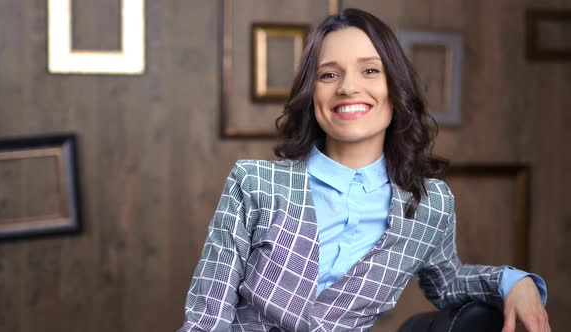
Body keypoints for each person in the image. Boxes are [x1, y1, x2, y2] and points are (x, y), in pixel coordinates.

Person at [179, 8, 549, 332]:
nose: (349, 88)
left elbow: (448, 282)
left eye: (370, 70)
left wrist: (514, 282)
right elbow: (206, 319)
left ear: (394, 88)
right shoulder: (254, 184)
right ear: (312, 95)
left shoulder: (430, 205)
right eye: (328, 75)